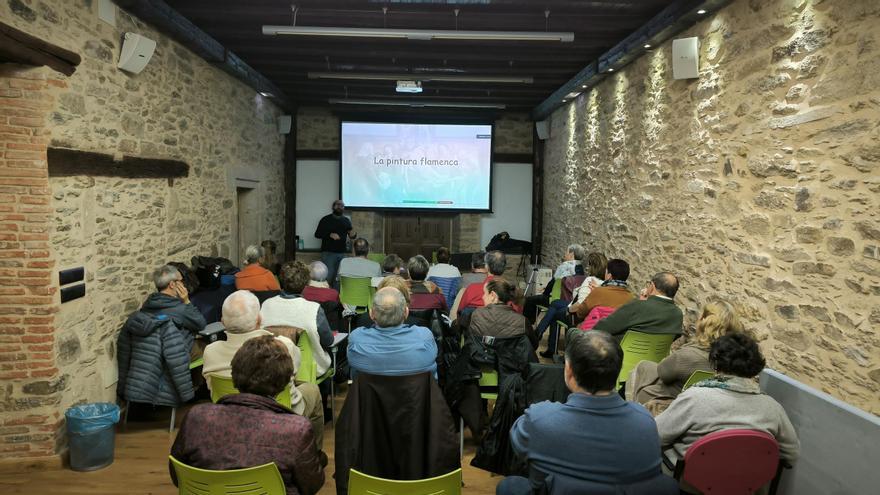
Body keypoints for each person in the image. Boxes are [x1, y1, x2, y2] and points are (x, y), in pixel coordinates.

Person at [497, 331, 667, 494]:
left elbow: (518, 445)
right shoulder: (646, 422)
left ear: (569, 370)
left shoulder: (539, 419)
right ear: (617, 371)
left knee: (510, 485)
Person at [171, 336, 325, 495]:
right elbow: (312, 485)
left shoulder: (196, 417)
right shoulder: (296, 429)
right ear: (284, 382)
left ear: (234, 373)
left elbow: (177, 476)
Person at [202, 290, 324, 450]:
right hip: (282, 412)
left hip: (228, 414)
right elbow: (292, 374)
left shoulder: (210, 352)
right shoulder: (282, 346)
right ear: (259, 320)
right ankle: (312, 452)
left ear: (223, 322)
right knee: (312, 389)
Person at [655, 332, 800, 467]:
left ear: (716, 363)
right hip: (746, 486)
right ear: (754, 367)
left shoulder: (694, 398)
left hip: (691, 483)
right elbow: (791, 455)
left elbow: (656, 435)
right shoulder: (773, 408)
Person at [628, 299, 745, 408]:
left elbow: (664, 373)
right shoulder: (735, 358)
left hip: (676, 400)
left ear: (704, 322)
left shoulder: (688, 355)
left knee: (642, 369)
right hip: (706, 402)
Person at [347, 287, 438, 379]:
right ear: (406, 312)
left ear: (371, 314)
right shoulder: (425, 337)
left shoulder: (356, 340)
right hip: (416, 393)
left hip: (368, 393)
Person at [260, 261, 334, 376]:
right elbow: (329, 341)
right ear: (307, 283)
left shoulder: (266, 305)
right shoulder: (314, 309)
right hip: (309, 370)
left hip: (272, 366)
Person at [533, 252, 608, 356]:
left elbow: (580, 304)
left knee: (555, 312)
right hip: (591, 312)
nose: (587, 267)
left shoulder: (590, 280)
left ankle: (544, 340)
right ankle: (540, 333)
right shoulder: (605, 283)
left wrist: (568, 310)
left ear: (592, 266)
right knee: (555, 303)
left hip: (578, 312)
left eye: (589, 265)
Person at [140, 264, 207, 359]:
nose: (183, 284)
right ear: (172, 284)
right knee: (209, 348)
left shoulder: (147, 304)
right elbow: (201, 324)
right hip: (176, 354)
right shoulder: (179, 308)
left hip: (155, 353)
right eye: (181, 281)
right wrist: (186, 301)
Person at [592, 271, 683, 338]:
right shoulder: (678, 314)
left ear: (652, 286)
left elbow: (601, 328)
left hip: (619, 354)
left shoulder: (637, 306)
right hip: (652, 360)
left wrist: (641, 302)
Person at [523, 244, 586, 324]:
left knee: (530, 300)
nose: (565, 254)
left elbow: (552, 284)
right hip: (571, 301)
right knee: (538, 299)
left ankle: (527, 324)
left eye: (566, 252)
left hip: (557, 300)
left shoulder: (565, 267)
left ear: (571, 254)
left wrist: (544, 293)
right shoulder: (581, 268)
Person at [468, 278, 537, 348]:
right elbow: (534, 345)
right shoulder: (522, 321)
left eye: (485, 293)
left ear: (493, 295)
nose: (483, 297)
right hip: (511, 358)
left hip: (483, 357)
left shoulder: (477, 315)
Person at [570, 258, 634, 321]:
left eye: (605, 272)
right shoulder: (631, 298)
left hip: (592, 329)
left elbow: (580, 312)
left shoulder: (599, 291)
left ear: (609, 276)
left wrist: (596, 293)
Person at [314, 199, 357, 287]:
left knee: (339, 278)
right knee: (328, 276)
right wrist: (329, 234)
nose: (340, 207)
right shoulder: (325, 219)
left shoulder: (346, 220)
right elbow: (317, 234)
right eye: (338, 204)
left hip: (342, 253)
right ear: (333, 207)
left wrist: (353, 235)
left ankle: (336, 298)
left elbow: (351, 235)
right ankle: (325, 297)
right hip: (328, 253)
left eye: (342, 205)